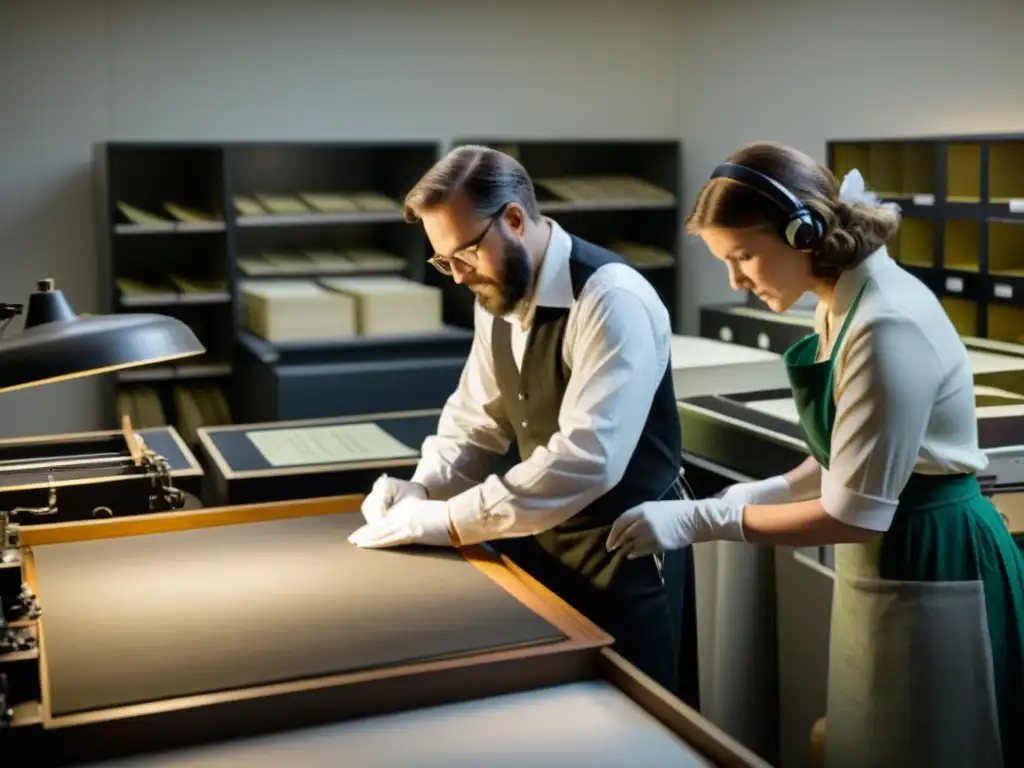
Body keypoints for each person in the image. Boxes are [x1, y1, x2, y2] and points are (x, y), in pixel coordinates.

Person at [606, 140, 1024, 767]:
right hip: (889, 552)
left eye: (744, 256)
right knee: (875, 736)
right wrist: (777, 487)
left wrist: (706, 520)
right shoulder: (838, 301)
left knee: (930, 743)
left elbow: (855, 513)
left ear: (804, 233)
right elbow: (851, 451)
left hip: (936, 557)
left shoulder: (886, 325)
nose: (736, 281)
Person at [347, 145, 691, 697]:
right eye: (444, 262)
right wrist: (422, 486)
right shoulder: (497, 293)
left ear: (513, 219)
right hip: (543, 540)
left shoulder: (611, 299)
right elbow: (473, 421)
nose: (457, 278)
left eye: (463, 254)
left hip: (626, 552)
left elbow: (587, 460)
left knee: (637, 720)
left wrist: (445, 521)